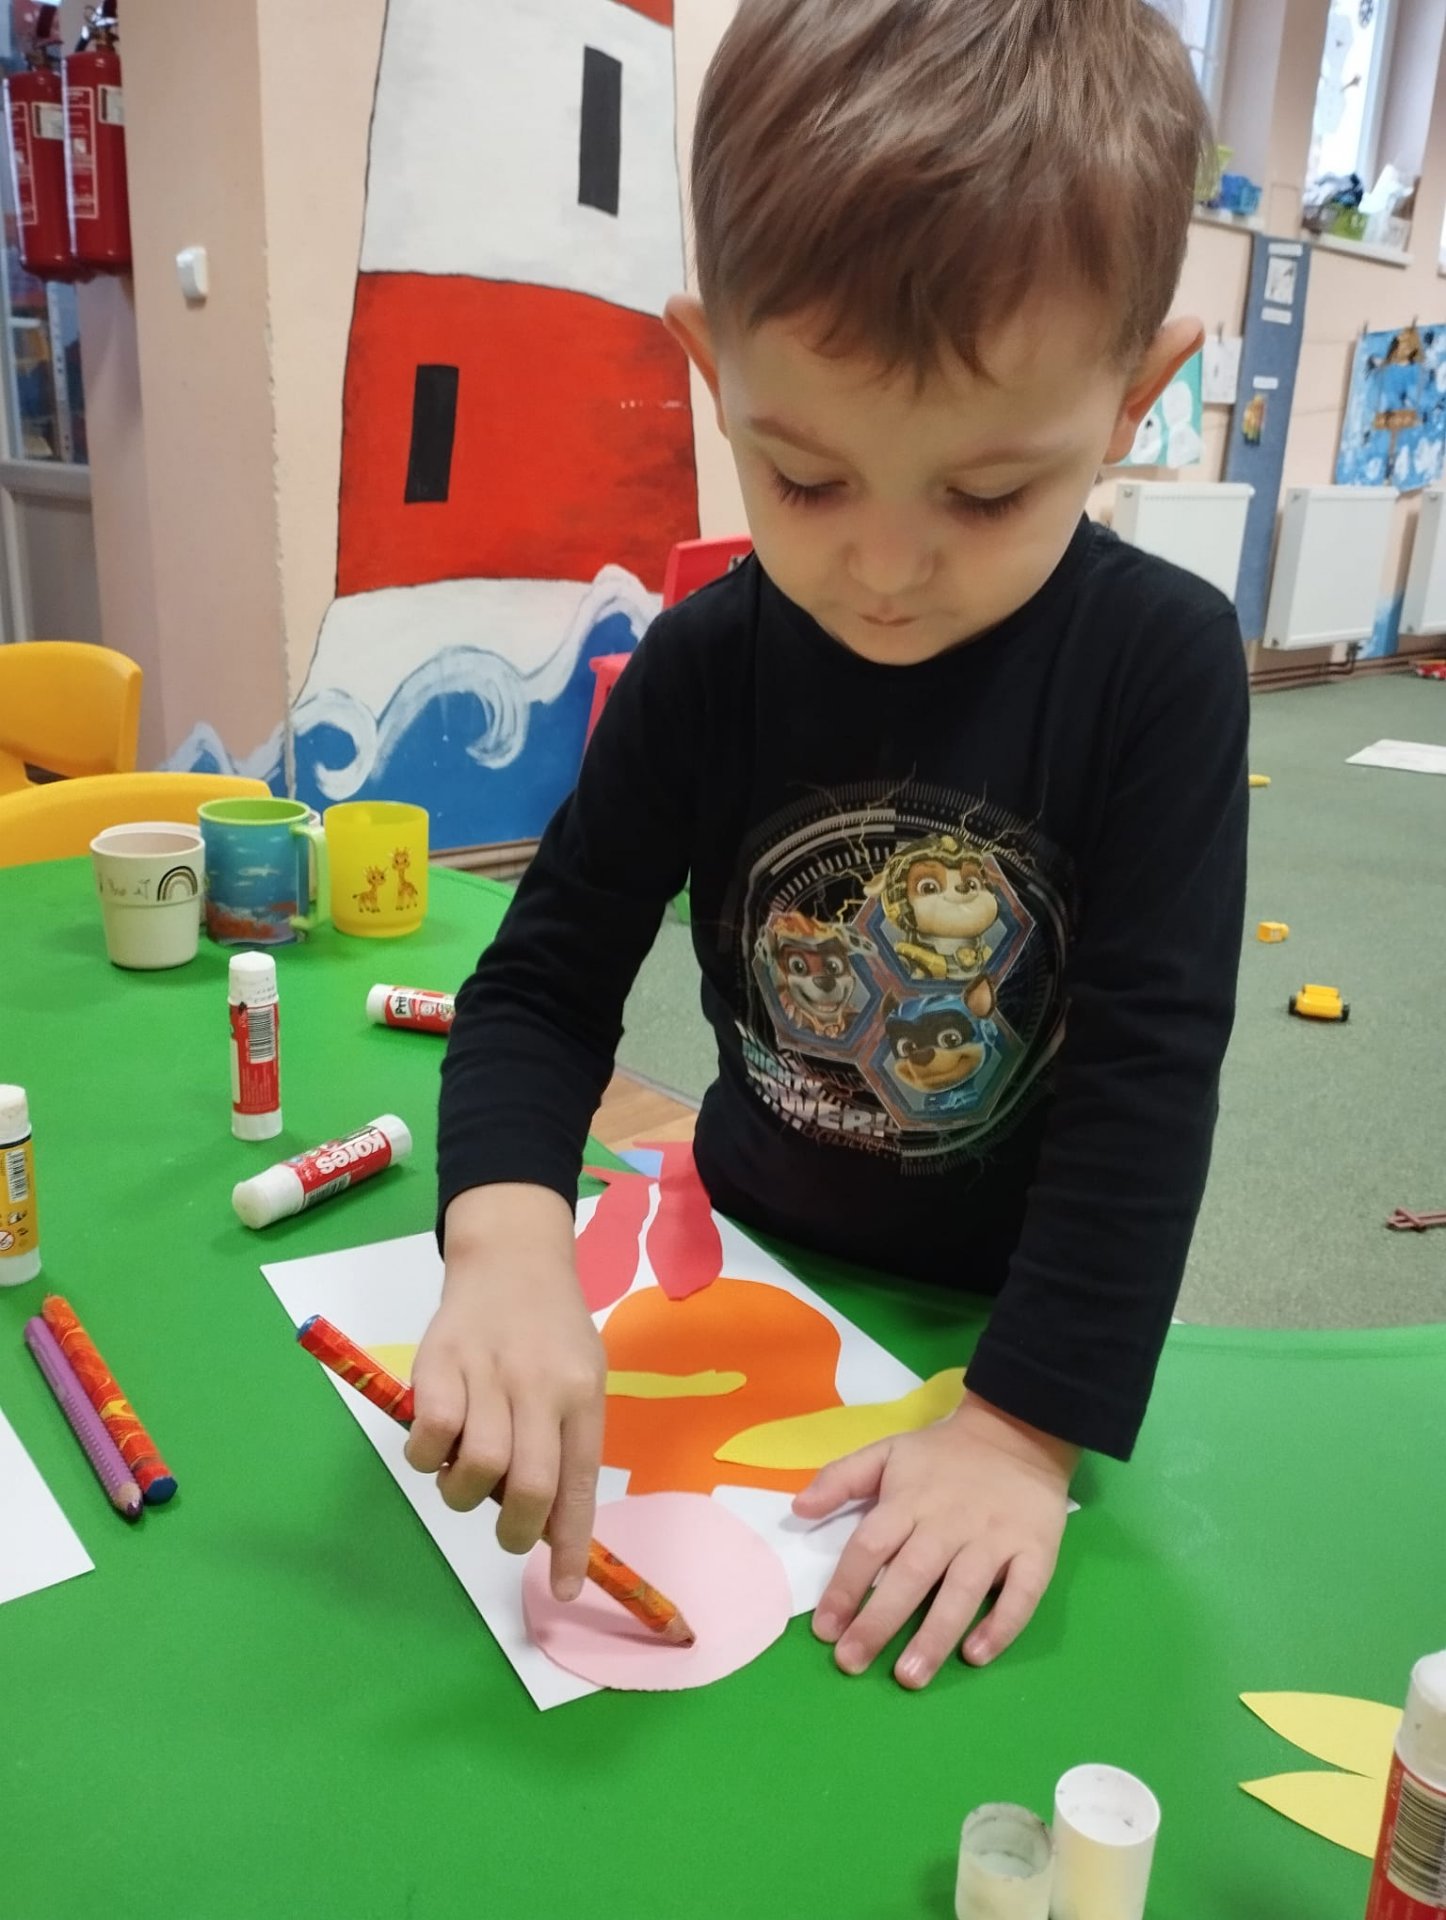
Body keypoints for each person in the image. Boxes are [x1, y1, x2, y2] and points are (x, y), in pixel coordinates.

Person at [409, 0, 1248, 1692]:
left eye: (985, 496)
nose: (881, 568)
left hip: (1008, 1325)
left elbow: (1145, 1081)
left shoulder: (1157, 665)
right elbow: (539, 990)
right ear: (713, 373)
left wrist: (1017, 1430)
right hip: (745, 1263)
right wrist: (503, 1244)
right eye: (801, 477)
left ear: (1134, 399)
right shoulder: (703, 664)